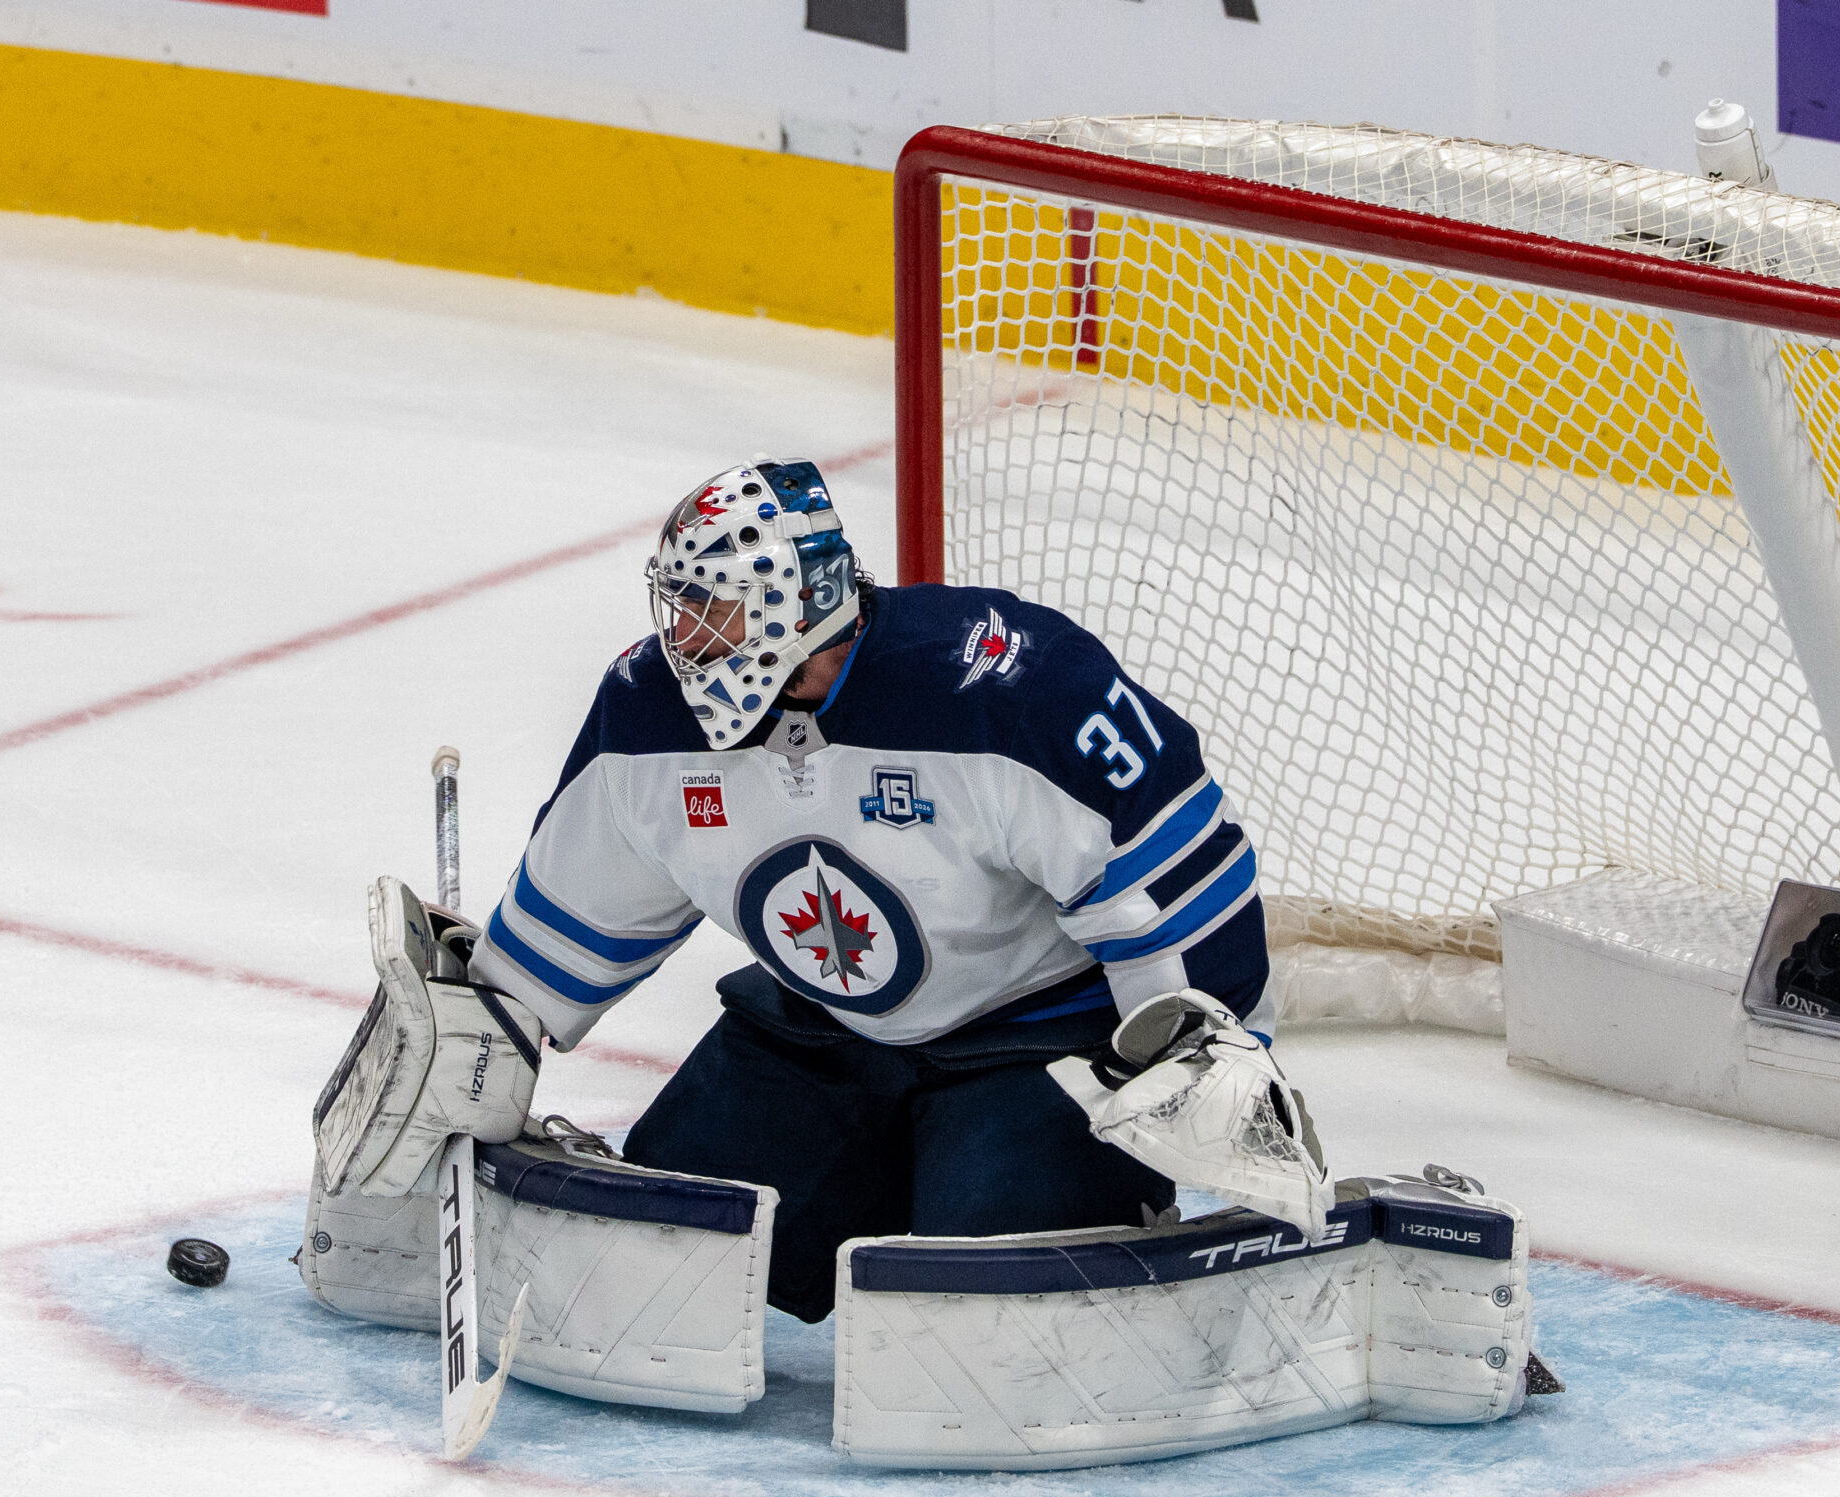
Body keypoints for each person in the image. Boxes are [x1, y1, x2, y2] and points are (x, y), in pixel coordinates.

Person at [466, 458, 1299, 1324]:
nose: (687, 640)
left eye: (713, 606)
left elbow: (1177, 879)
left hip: (1039, 1040)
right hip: (817, 1033)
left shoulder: (1008, 689)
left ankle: (998, 1183)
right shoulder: (647, 716)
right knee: (651, 1264)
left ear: (798, 598)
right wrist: (474, 1041)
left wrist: (1209, 1075)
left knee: (983, 1321)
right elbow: (558, 935)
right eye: (679, 607)